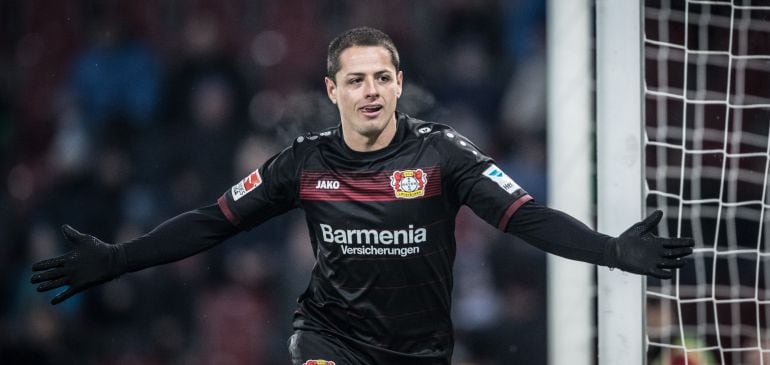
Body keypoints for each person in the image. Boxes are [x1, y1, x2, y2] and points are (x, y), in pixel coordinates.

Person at [31, 27, 694, 365]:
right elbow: (213, 222)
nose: (370, 90)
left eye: (382, 76)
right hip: (330, 336)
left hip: (421, 349)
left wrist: (613, 250)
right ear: (332, 90)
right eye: (356, 79)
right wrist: (117, 260)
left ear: (399, 83)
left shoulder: (444, 154)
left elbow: (527, 217)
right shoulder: (302, 163)